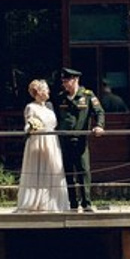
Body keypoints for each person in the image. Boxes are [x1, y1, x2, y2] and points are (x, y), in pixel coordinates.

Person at [52, 67, 105, 211]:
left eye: (67, 81)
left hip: (80, 139)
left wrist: (99, 126)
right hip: (64, 140)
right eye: (63, 81)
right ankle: (73, 203)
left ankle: (86, 203)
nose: (64, 84)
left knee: (83, 170)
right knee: (68, 172)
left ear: (75, 80)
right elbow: (54, 116)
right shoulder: (60, 97)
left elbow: (99, 112)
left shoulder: (87, 95)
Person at [13, 78, 70, 212]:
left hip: (51, 141)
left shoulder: (49, 107)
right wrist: (31, 127)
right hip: (38, 142)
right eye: (45, 89)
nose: (48, 91)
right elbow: (27, 124)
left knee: (54, 168)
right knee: (38, 170)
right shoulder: (31, 107)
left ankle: (53, 201)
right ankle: (35, 202)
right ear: (38, 92)